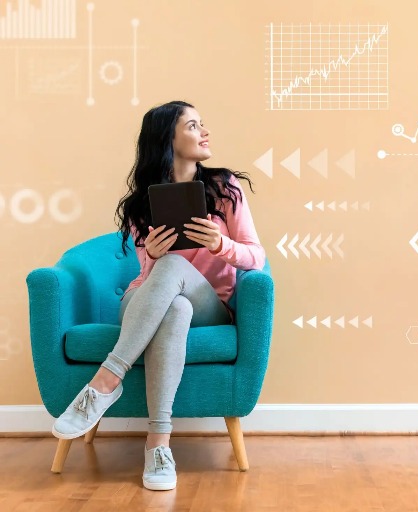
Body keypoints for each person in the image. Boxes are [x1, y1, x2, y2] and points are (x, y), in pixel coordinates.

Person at [51, 100, 266, 491]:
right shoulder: (142, 204)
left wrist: (221, 245)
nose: (205, 132)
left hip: (210, 305)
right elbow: (146, 278)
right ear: (168, 138)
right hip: (148, 300)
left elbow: (256, 256)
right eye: (193, 126)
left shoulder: (225, 188)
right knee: (174, 305)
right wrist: (150, 254)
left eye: (204, 123)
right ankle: (158, 445)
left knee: (176, 278)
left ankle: (104, 382)